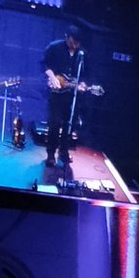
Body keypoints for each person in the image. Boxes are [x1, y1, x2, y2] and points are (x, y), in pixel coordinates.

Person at [40, 24, 88, 170]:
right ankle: (50, 154)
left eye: (77, 43)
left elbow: (86, 75)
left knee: (70, 125)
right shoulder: (54, 47)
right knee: (54, 124)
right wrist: (52, 77)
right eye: (72, 42)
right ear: (66, 37)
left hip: (72, 97)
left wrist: (83, 85)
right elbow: (44, 64)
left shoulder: (82, 54)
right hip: (56, 94)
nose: (74, 45)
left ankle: (64, 151)